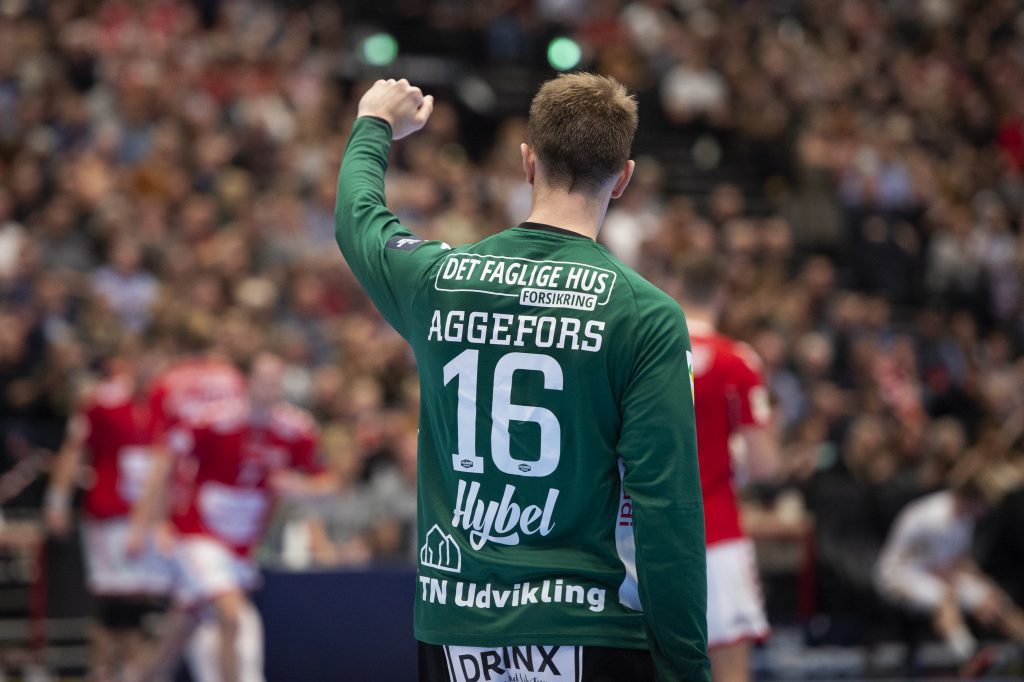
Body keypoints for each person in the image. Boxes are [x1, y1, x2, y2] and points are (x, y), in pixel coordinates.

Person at [335, 75, 708, 681]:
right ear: (623, 178)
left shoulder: (440, 280)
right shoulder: (645, 315)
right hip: (590, 627)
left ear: (528, 163)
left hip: (455, 625)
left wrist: (374, 123)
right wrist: (687, 667)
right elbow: (667, 509)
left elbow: (359, 222)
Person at [126, 353, 331, 682]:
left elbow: (328, 482)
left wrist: (298, 485)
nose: (270, 389)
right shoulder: (213, 421)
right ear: (248, 382)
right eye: (264, 381)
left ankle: (137, 677)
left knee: (179, 631)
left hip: (242, 547)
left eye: (276, 382)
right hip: (198, 535)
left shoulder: (295, 430)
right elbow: (166, 460)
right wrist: (150, 523)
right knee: (232, 617)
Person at [679, 256, 780, 682]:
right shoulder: (736, 360)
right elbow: (765, 464)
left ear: (675, 291)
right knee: (730, 670)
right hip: (716, 533)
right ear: (721, 296)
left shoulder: (644, 351)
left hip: (645, 537)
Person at [45, 356, 173, 682]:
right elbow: (74, 449)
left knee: (139, 601)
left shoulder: (164, 406)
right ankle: (105, 671)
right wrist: (57, 500)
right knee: (115, 600)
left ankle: (127, 670)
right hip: (110, 514)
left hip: (147, 517)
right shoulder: (102, 402)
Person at [874, 465, 1024, 668]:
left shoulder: (966, 518)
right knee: (944, 598)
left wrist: (987, 588)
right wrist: (967, 595)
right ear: (970, 499)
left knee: (996, 600)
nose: (986, 510)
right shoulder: (930, 516)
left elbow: (960, 560)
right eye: (983, 504)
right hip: (900, 575)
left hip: (941, 571)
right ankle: (969, 655)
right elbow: (923, 566)